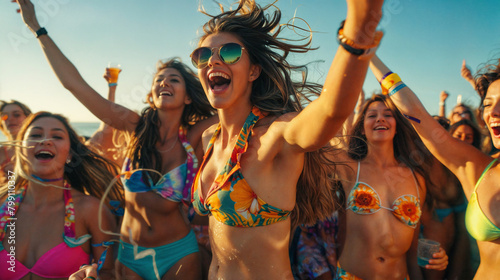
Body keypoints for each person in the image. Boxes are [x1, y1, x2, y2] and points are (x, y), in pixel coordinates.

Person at [16, 1, 217, 279]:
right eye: (159, 80)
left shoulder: (194, 137)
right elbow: (75, 85)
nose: (164, 83)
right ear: (151, 95)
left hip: (178, 253)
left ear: (189, 96)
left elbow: (242, 105)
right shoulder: (134, 128)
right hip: (129, 255)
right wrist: (37, 28)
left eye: (174, 80)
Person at [188, 0, 385, 278]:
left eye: (229, 52)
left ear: (254, 71)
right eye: (202, 54)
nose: (213, 60)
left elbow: (330, 112)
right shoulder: (210, 137)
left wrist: (358, 30)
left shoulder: (275, 137)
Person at [370, 54, 500, 279]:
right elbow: (415, 112)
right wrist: (367, 52)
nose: (493, 112)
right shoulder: (477, 167)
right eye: (488, 104)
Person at [334, 94, 447, 279]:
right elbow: (329, 126)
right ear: (362, 128)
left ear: (397, 128)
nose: (380, 118)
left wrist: (437, 257)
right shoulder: (348, 167)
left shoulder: (416, 178)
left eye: (388, 114)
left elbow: (411, 246)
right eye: (371, 115)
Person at [0, 111, 121, 279]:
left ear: (70, 154)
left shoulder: (91, 210)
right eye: (35, 135)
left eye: (57, 136)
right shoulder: (2, 206)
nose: (45, 141)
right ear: (20, 150)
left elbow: (110, 273)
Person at [0, 100, 32, 184]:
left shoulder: (37, 149)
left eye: (16, 115)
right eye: (4, 116)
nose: (10, 119)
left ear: (28, 118)